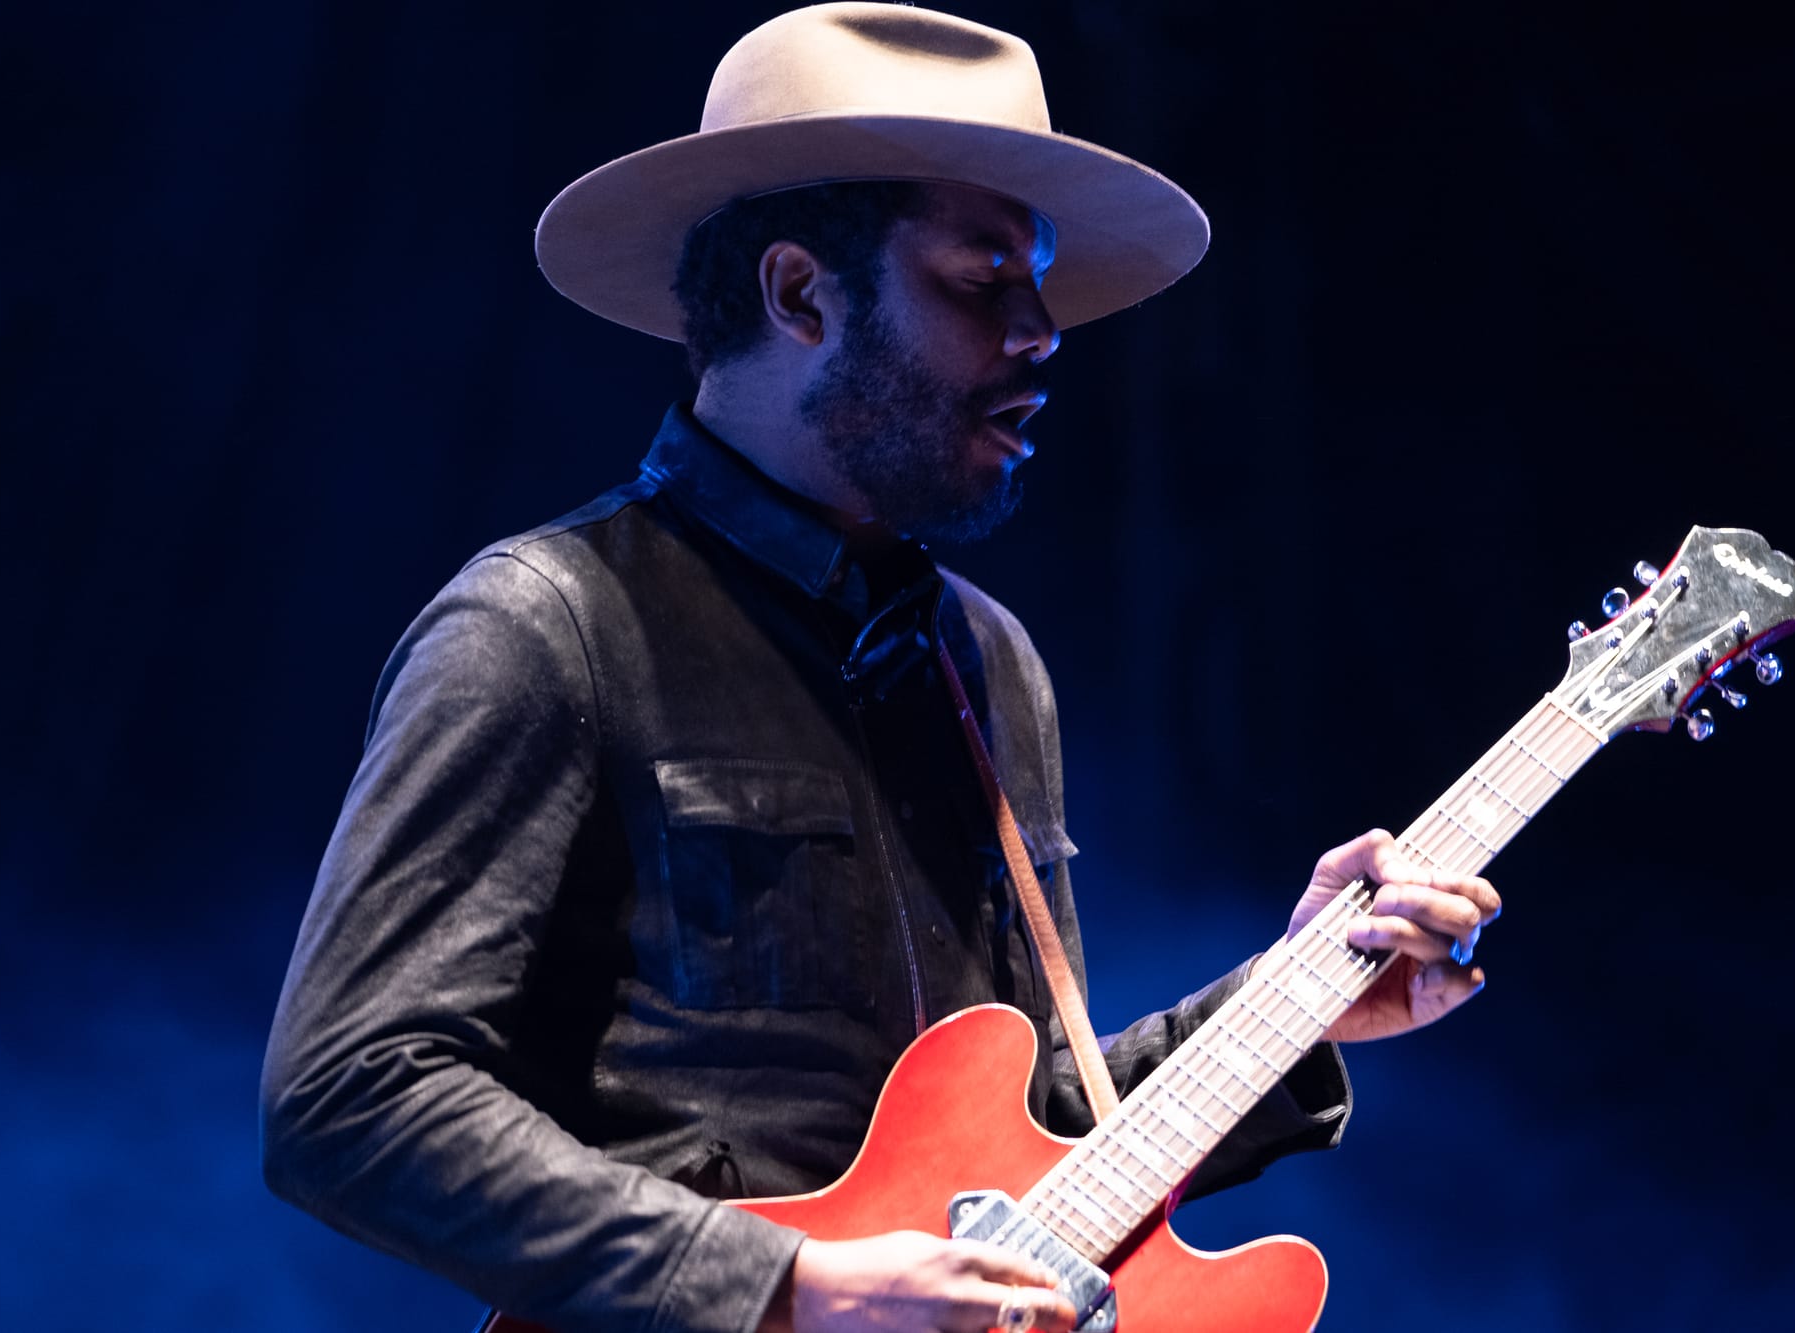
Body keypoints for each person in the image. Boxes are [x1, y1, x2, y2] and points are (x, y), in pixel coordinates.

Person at [260, 6, 1502, 1333]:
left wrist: (1294, 1002)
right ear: (801, 292)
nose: (1042, 332)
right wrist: (787, 1285)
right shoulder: (549, 620)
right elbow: (350, 1089)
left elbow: (1040, 1138)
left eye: (1040, 283)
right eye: (984, 280)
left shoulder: (988, 663)